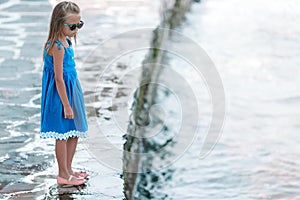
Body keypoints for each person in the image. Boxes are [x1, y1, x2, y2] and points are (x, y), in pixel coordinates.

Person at [40, 1, 88, 186]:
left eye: (79, 25)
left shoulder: (66, 41)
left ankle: (69, 169)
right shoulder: (57, 47)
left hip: (71, 89)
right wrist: (67, 104)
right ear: (59, 24)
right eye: (73, 26)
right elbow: (58, 79)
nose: (76, 29)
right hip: (61, 95)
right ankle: (63, 174)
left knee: (74, 131)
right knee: (62, 133)